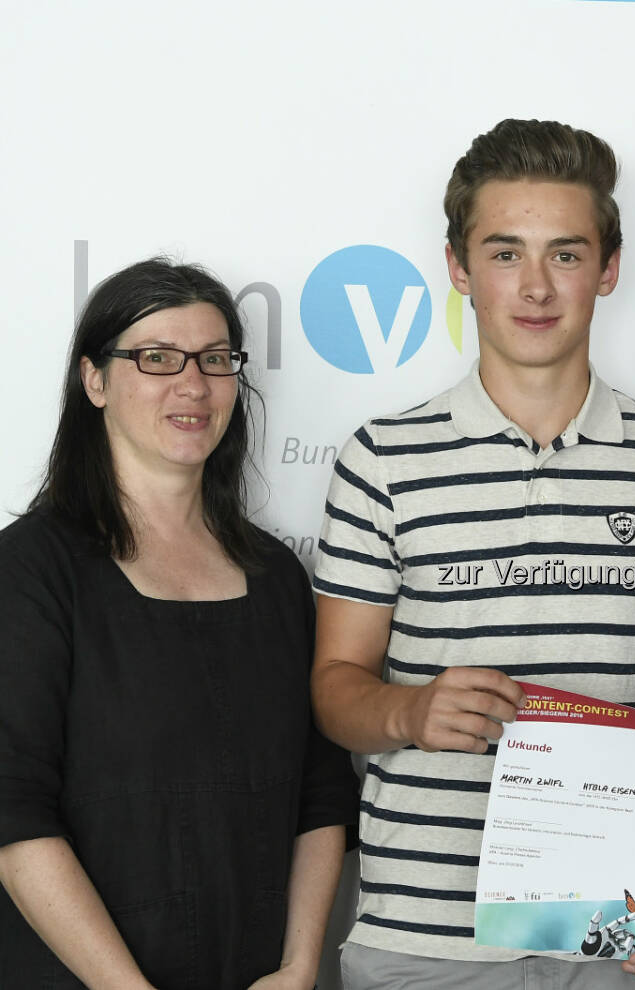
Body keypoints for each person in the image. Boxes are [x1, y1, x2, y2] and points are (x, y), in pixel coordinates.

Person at [309, 118, 635, 989]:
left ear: (609, 268)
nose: (536, 287)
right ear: (458, 267)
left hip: (621, 937)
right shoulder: (383, 457)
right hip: (423, 945)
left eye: (566, 255)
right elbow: (335, 686)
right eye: (504, 254)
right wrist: (407, 714)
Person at [0, 259, 357, 989]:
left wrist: (298, 967)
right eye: (157, 358)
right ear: (95, 381)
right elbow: (10, 810)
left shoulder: (277, 577)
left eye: (216, 360)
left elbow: (320, 793)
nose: (193, 385)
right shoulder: (31, 568)